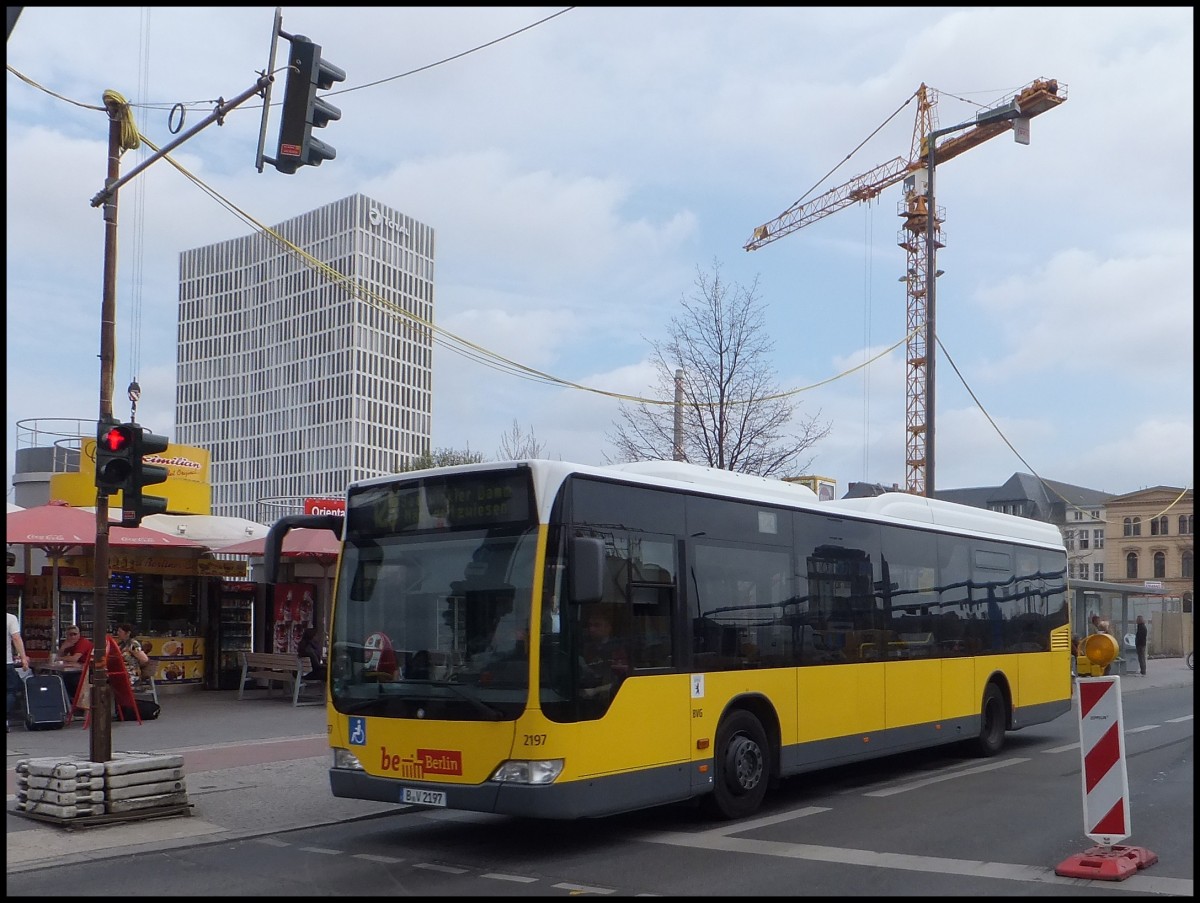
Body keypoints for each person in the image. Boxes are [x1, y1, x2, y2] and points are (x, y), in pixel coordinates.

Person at [579, 606, 629, 702]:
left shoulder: (617, 650)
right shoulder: (587, 647)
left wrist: (594, 691)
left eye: (597, 625)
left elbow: (620, 681)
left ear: (608, 627)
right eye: (590, 625)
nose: (591, 629)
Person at [55, 624, 93, 701]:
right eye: (70, 634)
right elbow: (57, 656)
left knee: (66, 679)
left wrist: (60, 658)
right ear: (67, 636)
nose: (73, 637)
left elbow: (74, 658)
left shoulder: (83, 642)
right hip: (78, 670)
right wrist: (63, 647)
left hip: (89, 672)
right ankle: (68, 701)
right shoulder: (69, 644)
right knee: (61, 678)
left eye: (75, 634)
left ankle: (71, 701)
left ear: (79, 634)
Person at [6, 612, 30, 732]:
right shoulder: (10, 618)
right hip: (7, 662)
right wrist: (23, 658)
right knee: (10, 691)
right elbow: (16, 638)